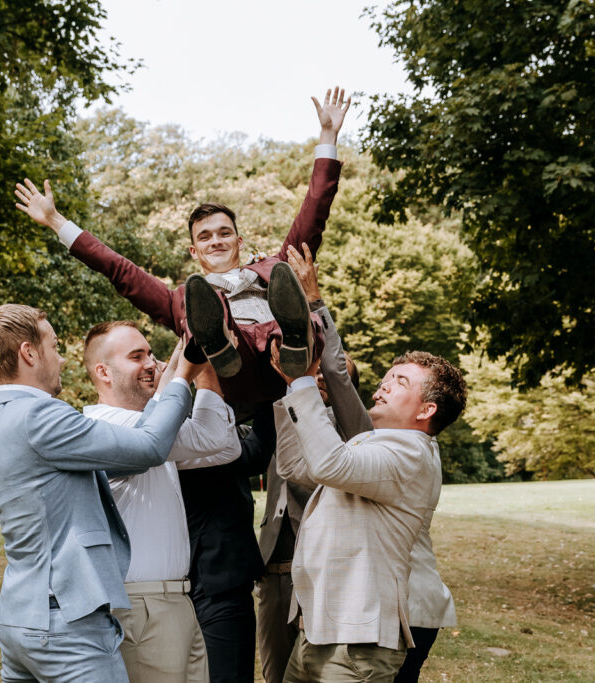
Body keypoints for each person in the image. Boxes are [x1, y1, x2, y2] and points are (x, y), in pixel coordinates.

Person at [13, 88, 350, 405]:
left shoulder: (274, 269)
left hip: (288, 365)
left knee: (289, 284)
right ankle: (219, 344)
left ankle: (294, 340)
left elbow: (313, 215)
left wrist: (327, 137)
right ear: (193, 251)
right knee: (204, 309)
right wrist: (56, 221)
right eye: (205, 237)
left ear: (239, 241)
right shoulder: (182, 299)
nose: (215, 241)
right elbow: (118, 269)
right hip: (239, 372)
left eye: (224, 233)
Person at [0, 303, 200, 682]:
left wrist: (173, 370)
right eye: (53, 346)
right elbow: (149, 448)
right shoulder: (41, 415)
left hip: (19, 618)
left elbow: (128, 455)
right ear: (29, 353)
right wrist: (181, 379)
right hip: (66, 623)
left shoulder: (5, 417)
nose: (61, 359)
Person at [278, 246, 458, 682]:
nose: (383, 385)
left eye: (400, 382)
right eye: (386, 378)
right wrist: (314, 306)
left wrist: (301, 380)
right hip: (321, 627)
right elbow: (335, 382)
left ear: (426, 410)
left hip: (364, 634)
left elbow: (329, 461)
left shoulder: (410, 453)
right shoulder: (373, 442)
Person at [80, 321, 241, 683]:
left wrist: (202, 362)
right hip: (142, 607)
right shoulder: (105, 427)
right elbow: (212, 435)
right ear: (103, 372)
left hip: (178, 600)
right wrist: (191, 370)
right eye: (136, 356)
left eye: (151, 354)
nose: (151, 364)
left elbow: (225, 446)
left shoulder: (153, 429)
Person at [256, 244, 366, 683]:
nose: (317, 377)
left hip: (323, 573)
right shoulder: (280, 411)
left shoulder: (355, 438)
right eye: (311, 371)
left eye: (326, 376)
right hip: (271, 571)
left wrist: (317, 302)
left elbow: (336, 371)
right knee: (274, 673)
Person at [178, 402, 278, 683]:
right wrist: (267, 397)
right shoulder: (188, 427)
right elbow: (254, 455)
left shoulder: (169, 421)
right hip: (212, 574)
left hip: (202, 574)